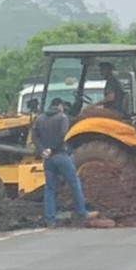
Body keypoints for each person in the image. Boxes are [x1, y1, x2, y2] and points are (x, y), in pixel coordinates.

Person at [33, 97, 88, 228]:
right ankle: (82, 213)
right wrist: (52, 149)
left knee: (50, 189)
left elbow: (34, 136)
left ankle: (50, 220)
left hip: (47, 159)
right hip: (60, 155)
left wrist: (43, 150)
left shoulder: (39, 119)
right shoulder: (62, 117)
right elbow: (62, 135)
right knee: (74, 183)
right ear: (60, 106)